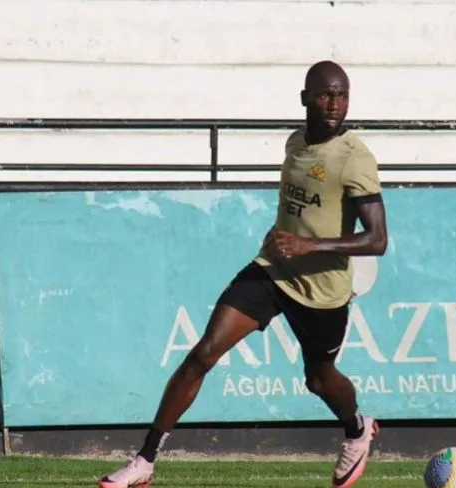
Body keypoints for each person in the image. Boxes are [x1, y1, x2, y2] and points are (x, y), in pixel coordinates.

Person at [99, 60, 388, 488]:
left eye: (342, 95)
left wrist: (311, 245)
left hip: (322, 292)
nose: (334, 103)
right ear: (305, 97)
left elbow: (377, 239)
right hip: (272, 272)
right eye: (326, 94)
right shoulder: (295, 142)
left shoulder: (354, 158)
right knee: (203, 352)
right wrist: (287, 238)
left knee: (319, 380)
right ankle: (144, 461)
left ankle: (357, 428)